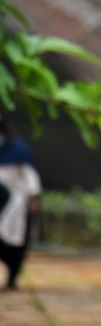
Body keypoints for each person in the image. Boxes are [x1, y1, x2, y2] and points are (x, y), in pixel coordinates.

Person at [0, 117, 42, 290]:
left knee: (16, 243)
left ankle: (13, 276)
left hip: (17, 203)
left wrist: (33, 199)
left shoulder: (18, 150)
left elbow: (30, 178)